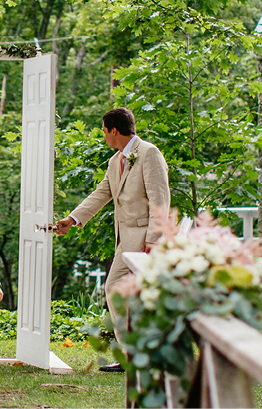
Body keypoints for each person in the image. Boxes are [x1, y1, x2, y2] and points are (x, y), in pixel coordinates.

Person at [53, 107, 170, 371]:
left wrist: (153, 241)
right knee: (122, 292)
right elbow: (101, 193)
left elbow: (160, 201)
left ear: (114, 131)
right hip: (124, 239)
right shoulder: (114, 161)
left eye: (105, 132)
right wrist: (72, 220)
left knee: (124, 291)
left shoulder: (149, 154)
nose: (104, 137)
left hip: (144, 241)